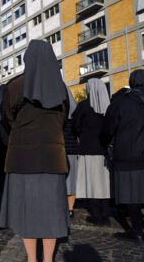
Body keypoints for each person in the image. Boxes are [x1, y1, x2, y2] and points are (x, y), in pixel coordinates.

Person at [0, 40, 68, 262]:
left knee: (27, 213)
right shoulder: (61, 88)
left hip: (21, 157)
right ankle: (48, 259)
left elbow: (7, 118)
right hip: (53, 158)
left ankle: (31, 258)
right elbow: (64, 120)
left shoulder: (14, 86)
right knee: (52, 213)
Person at [103, 70, 144, 242]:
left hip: (126, 157)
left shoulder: (120, 103)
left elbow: (107, 130)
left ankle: (138, 232)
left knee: (132, 196)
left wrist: (106, 143)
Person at [72, 78, 111, 226]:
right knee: (105, 184)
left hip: (88, 149)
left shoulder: (83, 106)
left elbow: (75, 125)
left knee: (92, 183)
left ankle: (96, 215)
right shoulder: (108, 107)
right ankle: (106, 215)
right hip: (104, 150)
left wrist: (82, 133)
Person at [64, 87, 80, 218]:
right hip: (73, 150)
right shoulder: (76, 114)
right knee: (71, 181)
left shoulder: (56, 115)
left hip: (59, 151)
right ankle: (70, 209)